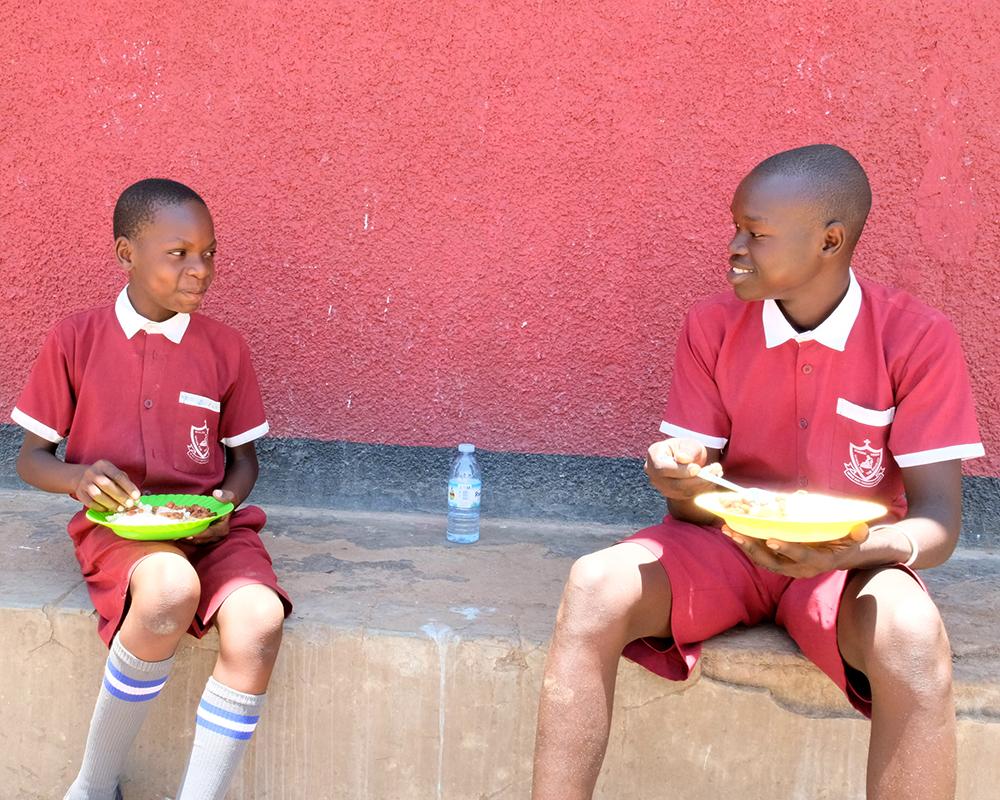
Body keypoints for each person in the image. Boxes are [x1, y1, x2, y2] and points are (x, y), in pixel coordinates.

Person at [531, 145, 984, 800]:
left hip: (846, 567)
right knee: (593, 585)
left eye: (756, 233)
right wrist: (679, 480)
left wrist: (852, 550)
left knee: (913, 637)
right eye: (736, 227)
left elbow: (939, 524)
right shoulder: (713, 326)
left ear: (830, 241)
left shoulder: (916, 338)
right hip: (726, 548)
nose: (734, 247)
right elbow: (691, 506)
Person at [12, 178, 292, 800]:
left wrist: (225, 504)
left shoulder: (225, 348)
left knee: (259, 621)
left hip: (211, 530)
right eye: (179, 253)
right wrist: (79, 479)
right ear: (126, 253)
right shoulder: (75, 339)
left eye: (209, 253)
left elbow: (243, 463)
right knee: (169, 590)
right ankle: (93, 786)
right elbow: (31, 459)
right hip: (121, 528)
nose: (201, 269)